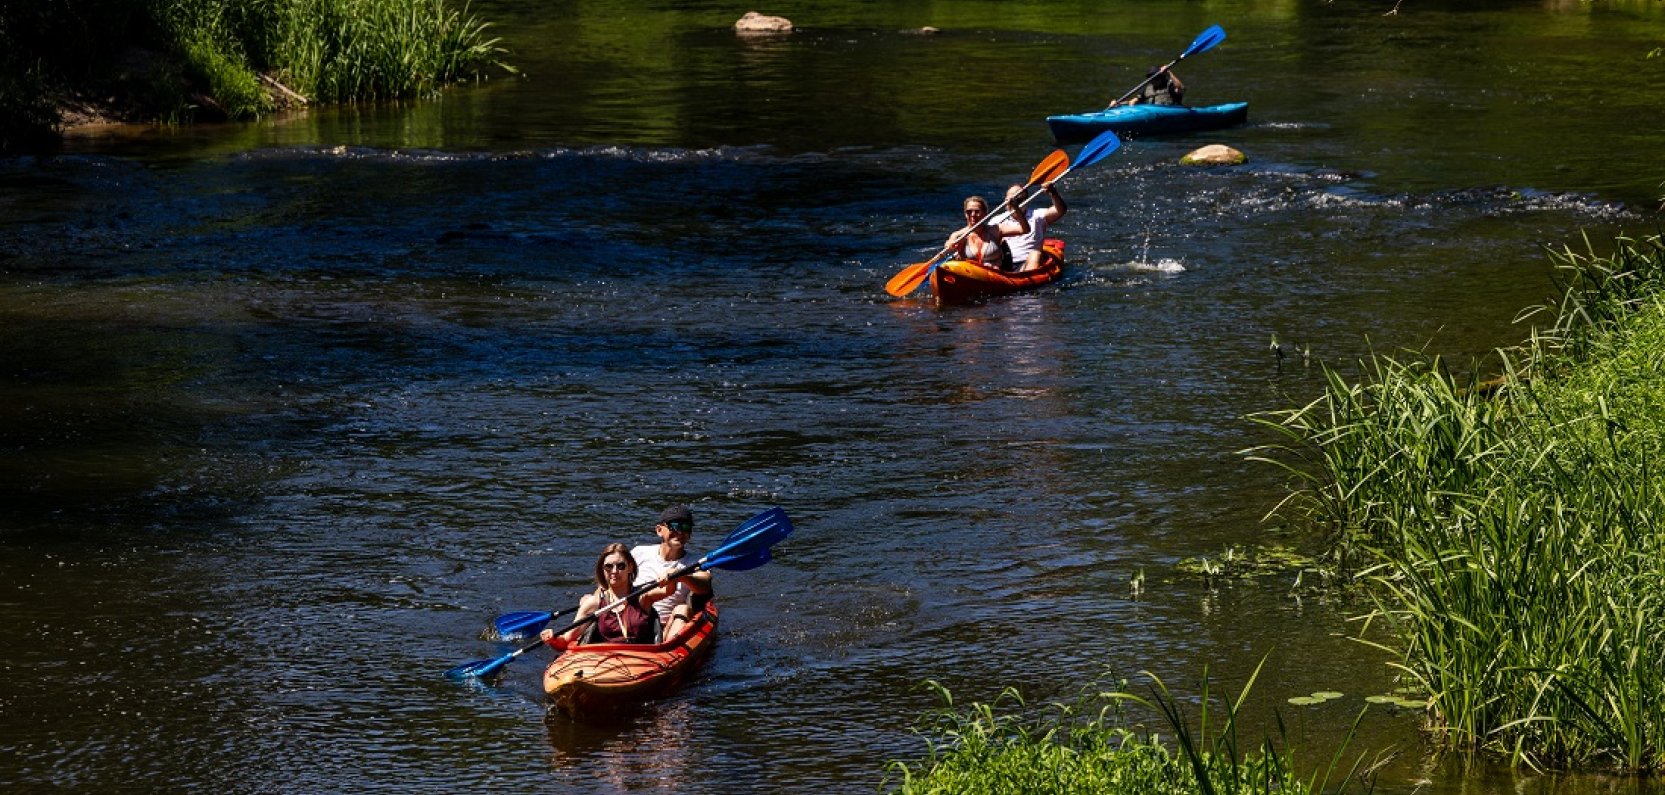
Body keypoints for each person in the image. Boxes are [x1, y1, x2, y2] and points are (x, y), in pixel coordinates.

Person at [541, 542, 678, 647]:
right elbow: (566, 640)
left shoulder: (643, 597)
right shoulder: (594, 604)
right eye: (608, 566)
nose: (614, 571)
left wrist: (671, 575)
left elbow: (668, 590)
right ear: (602, 569)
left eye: (621, 566)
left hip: (641, 658)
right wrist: (552, 639)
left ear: (630, 567)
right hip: (607, 661)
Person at [630, 505, 715, 642]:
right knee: (588, 600)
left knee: (682, 609)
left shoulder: (696, 562)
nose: (680, 532)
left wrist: (682, 576)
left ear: (690, 534)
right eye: (674, 526)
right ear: (659, 530)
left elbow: (705, 585)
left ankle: (665, 652)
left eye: (686, 527)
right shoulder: (638, 553)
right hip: (633, 619)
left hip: (668, 626)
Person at [947, 194, 1027, 273]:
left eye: (977, 211)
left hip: (995, 276)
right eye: (969, 212)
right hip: (971, 276)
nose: (973, 215)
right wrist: (950, 245)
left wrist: (1016, 208)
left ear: (985, 213)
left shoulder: (996, 230)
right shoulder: (959, 235)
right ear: (965, 214)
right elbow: (949, 243)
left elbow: (1025, 230)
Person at [998, 182, 1067, 272]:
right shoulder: (997, 220)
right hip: (1004, 264)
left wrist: (1053, 192)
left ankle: (1027, 282)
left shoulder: (1037, 216)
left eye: (1017, 200)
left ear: (1026, 200)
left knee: (1035, 254)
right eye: (1009, 200)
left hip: (1028, 262)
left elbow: (1060, 211)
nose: (1013, 203)